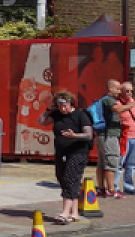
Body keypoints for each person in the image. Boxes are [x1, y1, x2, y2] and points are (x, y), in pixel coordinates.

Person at [40, 90, 94, 224]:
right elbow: (41, 122)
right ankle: (74, 213)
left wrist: (74, 135)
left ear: (71, 103)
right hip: (61, 151)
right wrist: (48, 110)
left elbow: (88, 135)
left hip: (78, 151)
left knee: (71, 178)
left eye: (65, 106)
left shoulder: (81, 115)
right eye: (60, 106)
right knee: (62, 178)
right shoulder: (57, 114)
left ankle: (64, 213)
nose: (63, 109)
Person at [97, 78, 135, 199]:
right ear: (110, 88)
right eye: (118, 89)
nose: (120, 92)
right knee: (111, 162)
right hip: (109, 136)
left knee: (102, 163)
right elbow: (118, 109)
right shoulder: (108, 100)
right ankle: (111, 190)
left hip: (103, 135)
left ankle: (102, 188)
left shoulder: (104, 100)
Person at [115, 81, 135, 197]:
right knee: (120, 163)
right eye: (127, 91)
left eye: (131, 91)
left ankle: (129, 186)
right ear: (121, 92)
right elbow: (120, 110)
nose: (130, 93)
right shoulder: (117, 103)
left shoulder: (133, 102)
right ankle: (115, 187)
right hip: (124, 137)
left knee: (132, 163)